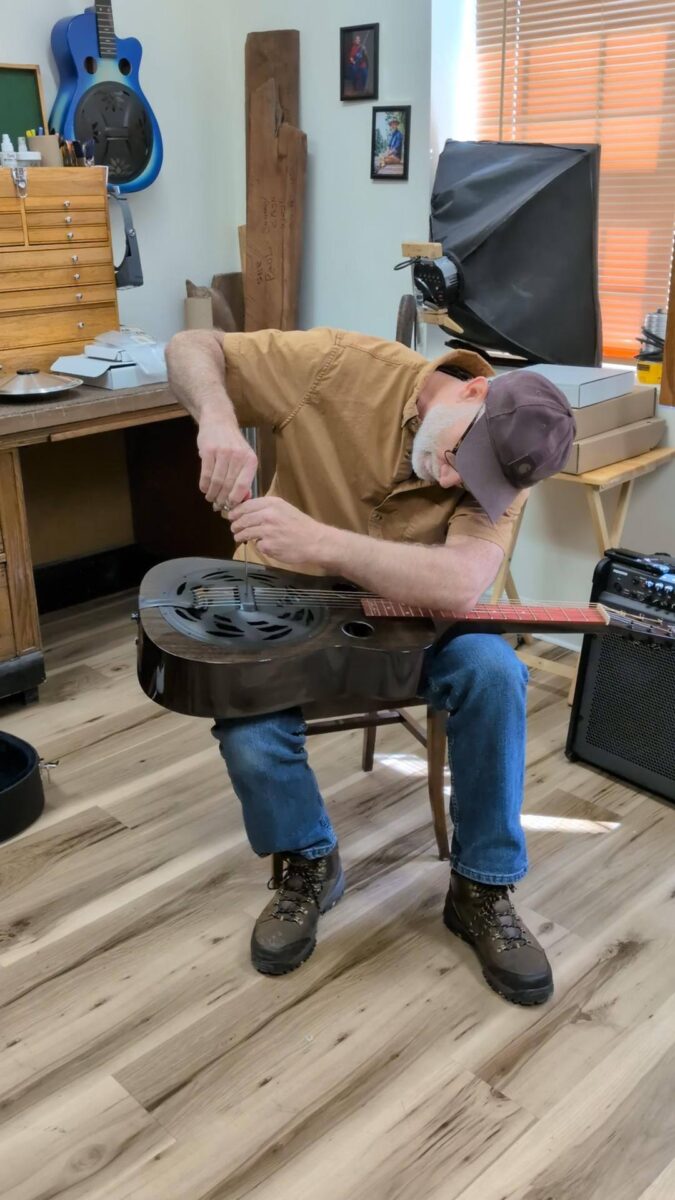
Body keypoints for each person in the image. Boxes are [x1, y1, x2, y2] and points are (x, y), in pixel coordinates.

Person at [165, 327, 575, 1006]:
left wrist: (323, 542)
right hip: (288, 604)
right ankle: (308, 860)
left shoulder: (509, 459)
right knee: (247, 729)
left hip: (418, 622)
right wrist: (217, 419)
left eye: (472, 479)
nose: (453, 481)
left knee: (496, 675)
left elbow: (458, 583)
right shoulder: (336, 366)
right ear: (473, 389)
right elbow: (190, 345)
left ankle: (480, 886)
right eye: (459, 458)